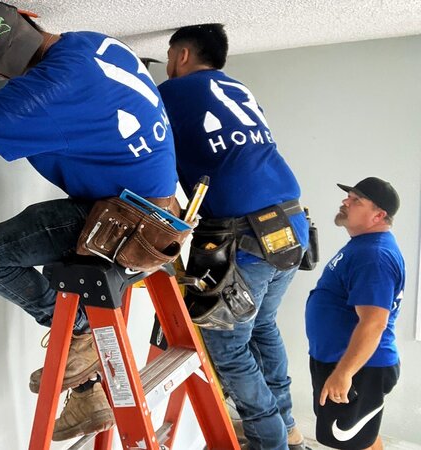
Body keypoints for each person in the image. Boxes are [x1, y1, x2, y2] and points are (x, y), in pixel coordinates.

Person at [0, 0, 178, 440]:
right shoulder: (95, 42)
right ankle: (89, 394)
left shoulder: (37, 94)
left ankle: (82, 333)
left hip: (124, 226)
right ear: (30, 17)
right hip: (162, 216)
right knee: (61, 259)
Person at [157, 24, 310, 450]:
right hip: (291, 225)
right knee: (262, 325)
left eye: (169, 57)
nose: (168, 65)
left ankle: (269, 440)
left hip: (246, 237)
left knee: (227, 345)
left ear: (182, 55)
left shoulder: (172, 92)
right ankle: (287, 427)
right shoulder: (239, 89)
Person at [306, 177, 403, 450]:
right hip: (344, 362)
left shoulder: (374, 256)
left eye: (356, 200)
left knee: (351, 442)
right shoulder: (364, 246)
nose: (345, 202)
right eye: (348, 197)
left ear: (378, 215)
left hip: (359, 368)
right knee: (360, 438)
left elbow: (374, 323)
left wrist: (345, 372)